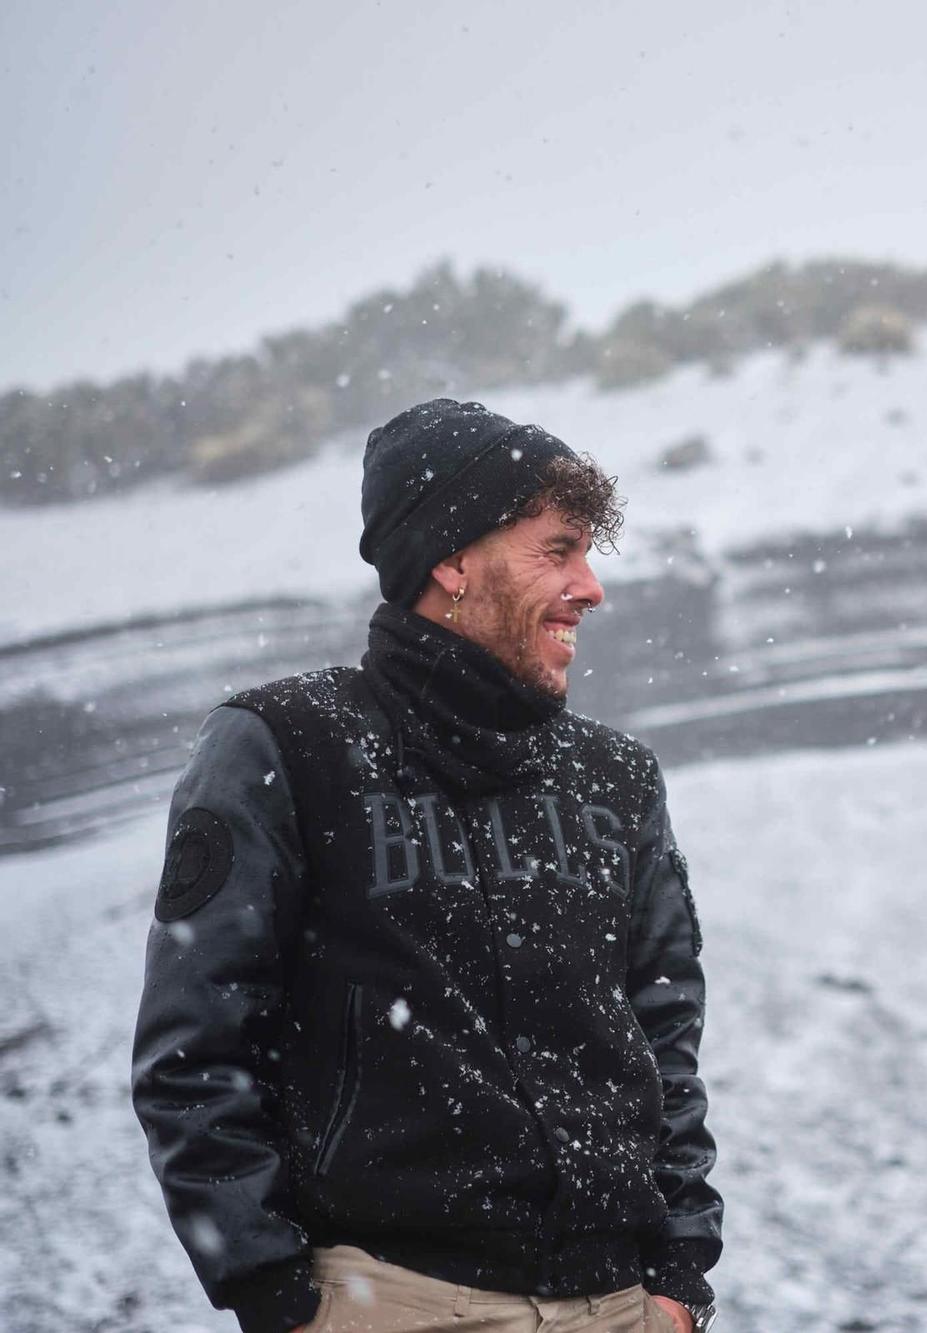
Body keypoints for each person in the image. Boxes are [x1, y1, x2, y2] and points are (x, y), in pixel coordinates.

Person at [132, 399, 722, 1333]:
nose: (590, 586)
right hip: (391, 1301)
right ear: (451, 561)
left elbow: (667, 1037)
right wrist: (277, 1298)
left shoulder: (617, 776)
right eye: (556, 550)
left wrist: (682, 1281)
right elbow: (193, 1055)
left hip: (621, 1303)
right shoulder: (287, 747)